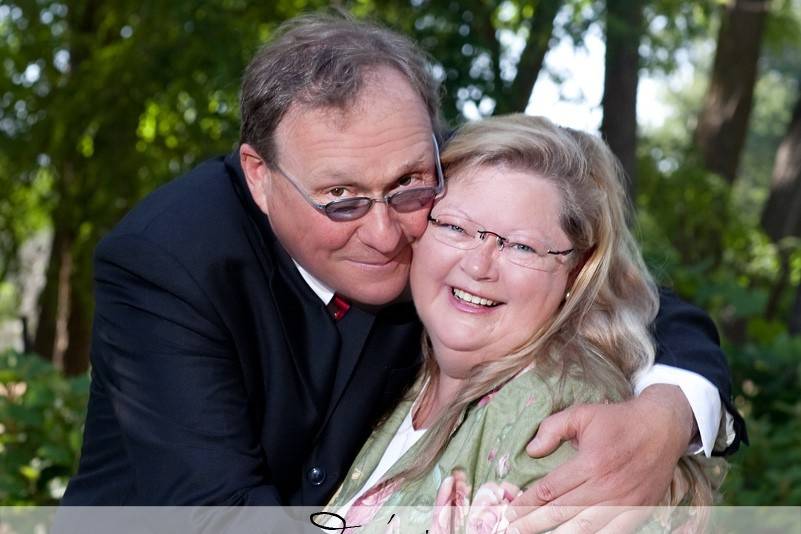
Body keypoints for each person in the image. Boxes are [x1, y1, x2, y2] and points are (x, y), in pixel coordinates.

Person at [62, 12, 744, 528]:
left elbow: (623, 291)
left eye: (410, 185)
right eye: (341, 200)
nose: (390, 233)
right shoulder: (166, 261)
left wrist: (670, 412)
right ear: (260, 178)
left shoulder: (436, 179)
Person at [326, 114, 722, 532]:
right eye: (457, 227)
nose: (478, 265)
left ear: (576, 271)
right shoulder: (396, 363)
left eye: (521, 246)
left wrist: (674, 409)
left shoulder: (559, 428)